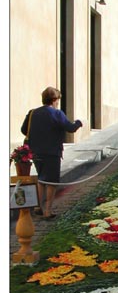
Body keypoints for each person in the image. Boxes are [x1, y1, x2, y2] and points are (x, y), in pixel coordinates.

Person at [20, 86, 82, 219]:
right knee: (52, 182)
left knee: (41, 178)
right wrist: (78, 123)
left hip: (35, 151)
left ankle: (38, 206)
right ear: (54, 100)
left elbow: (24, 130)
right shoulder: (57, 113)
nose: (58, 102)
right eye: (58, 100)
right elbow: (70, 128)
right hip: (52, 152)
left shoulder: (32, 113)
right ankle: (47, 210)